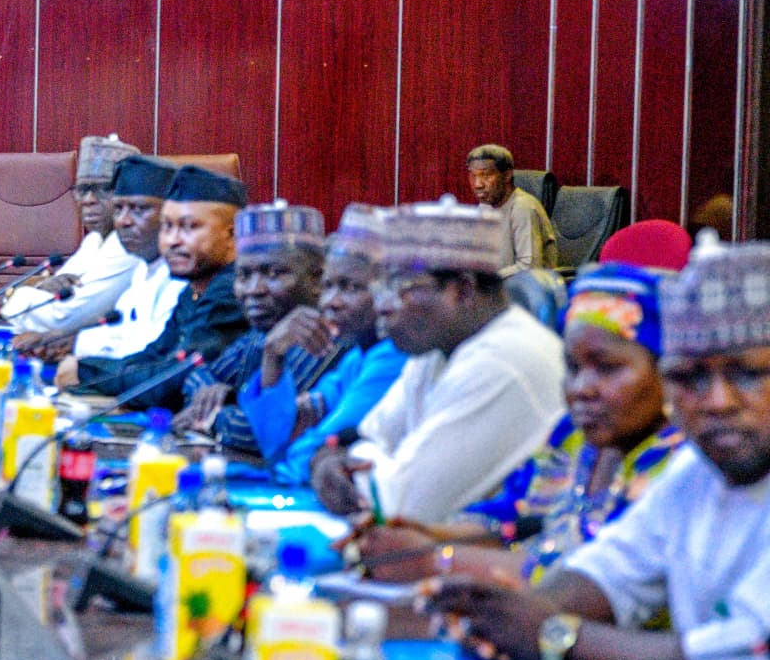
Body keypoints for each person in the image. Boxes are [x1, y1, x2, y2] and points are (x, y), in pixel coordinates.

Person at [429, 235, 770, 660]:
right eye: (689, 378)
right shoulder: (696, 471)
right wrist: (507, 616)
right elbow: (609, 571)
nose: (717, 402)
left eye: (748, 375)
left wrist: (553, 634)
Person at [357, 262, 683, 584]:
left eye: (608, 368)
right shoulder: (569, 438)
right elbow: (509, 519)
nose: (582, 388)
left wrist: (436, 559)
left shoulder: (677, 468)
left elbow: (589, 582)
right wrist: (424, 535)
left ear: (668, 372)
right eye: (573, 368)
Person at [309, 197, 564, 524]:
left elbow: (401, 507)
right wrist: (334, 457)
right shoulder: (434, 351)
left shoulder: (503, 360)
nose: (382, 306)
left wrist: (345, 462)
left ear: (463, 290)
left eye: (401, 286)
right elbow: (362, 438)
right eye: (380, 287)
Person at [238, 205, 409, 484]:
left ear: (392, 293)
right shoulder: (357, 358)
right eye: (328, 286)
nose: (331, 302)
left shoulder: (394, 358)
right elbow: (275, 441)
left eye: (350, 287)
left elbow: (304, 456)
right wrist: (273, 354)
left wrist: (298, 447)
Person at [64, 165, 249, 403]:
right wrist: (87, 369)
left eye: (189, 227)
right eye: (167, 227)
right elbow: (156, 355)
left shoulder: (236, 290)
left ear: (232, 235)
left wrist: (86, 372)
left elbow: (172, 381)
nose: (173, 240)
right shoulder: (195, 288)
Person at [171, 201, 326, 448]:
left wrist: (212, 417)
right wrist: (221, 395)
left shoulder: (322, 336)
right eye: (243, 276)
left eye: (274, 274)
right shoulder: (260, 334)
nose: (254, 290)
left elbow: (262, 430)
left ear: (317, 279)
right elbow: (198, 376)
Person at [40, 155, 183, 366]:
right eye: (118, 209)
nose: (123, 221)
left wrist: (82, 366)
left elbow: (150, 357)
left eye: (139, 209)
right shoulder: (143, 268)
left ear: (172, 215)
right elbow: (124, 332)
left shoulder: (182, 277)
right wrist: (71, 342)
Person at [1, 134, 141, 335]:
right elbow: (53, 297)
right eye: (82, 190)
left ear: (128, 197)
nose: (88, 200)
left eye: (102, 190)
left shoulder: (128, 244)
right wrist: (42, 289)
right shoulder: (94, 240)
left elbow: (62, 318)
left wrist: (16, 295)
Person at [467, 144, 559, 275]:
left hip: (523, 286)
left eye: (486, 175)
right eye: (473, 176)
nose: (478, 184)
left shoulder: (523, 207)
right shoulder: (485, 206)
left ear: (507, 175)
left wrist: (490, 280)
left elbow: (529, 267)